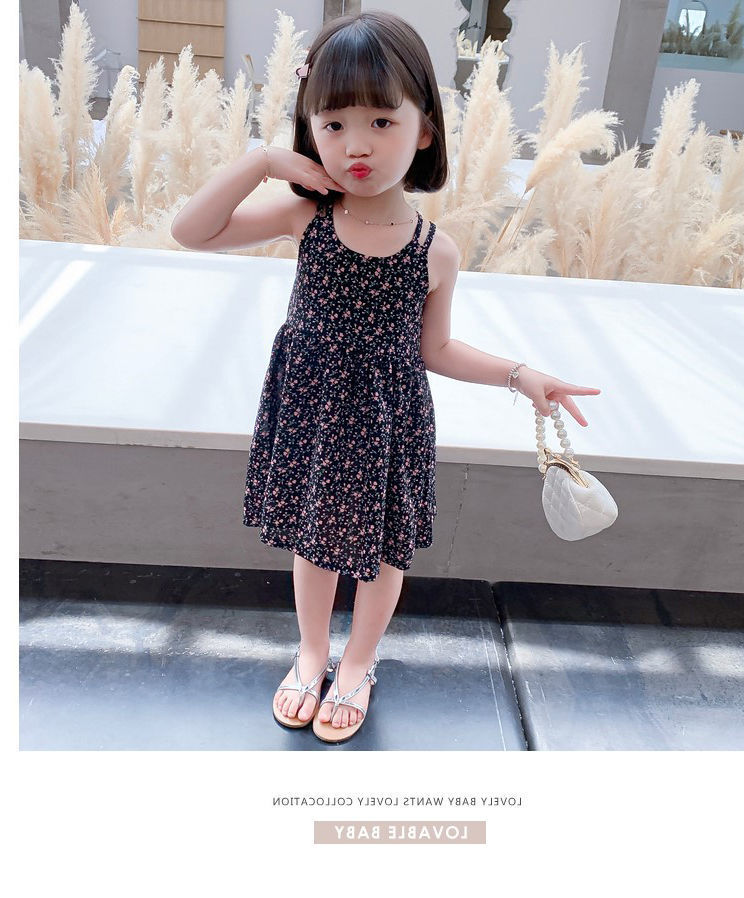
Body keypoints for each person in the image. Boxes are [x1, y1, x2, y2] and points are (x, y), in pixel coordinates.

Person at [171, 11, 600, 744]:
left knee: (381, 552)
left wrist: (520, 374)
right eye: (332, 125)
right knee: (312, 542)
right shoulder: (306, 216)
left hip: (386, 422)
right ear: (310, 129)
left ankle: (359, 663)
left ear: (424, 129)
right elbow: (190, 230)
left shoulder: (436, 250)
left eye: (380, 121)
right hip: (311, 411)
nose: (356, 145)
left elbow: (437, 349)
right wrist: (265, 161)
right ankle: (312, 654)